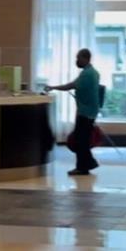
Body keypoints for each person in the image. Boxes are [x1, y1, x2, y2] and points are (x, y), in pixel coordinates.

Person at [47, 48, 101, 176]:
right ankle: (88, 164)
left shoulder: (87, 74)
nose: (76, 61)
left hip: (85, 112)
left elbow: (71, 86)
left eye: (78, 58)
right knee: (83, 139)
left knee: (81, 140)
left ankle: (83, 167)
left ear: (85, 58)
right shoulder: (92, 72)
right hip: (89, 110)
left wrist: (53, 87)